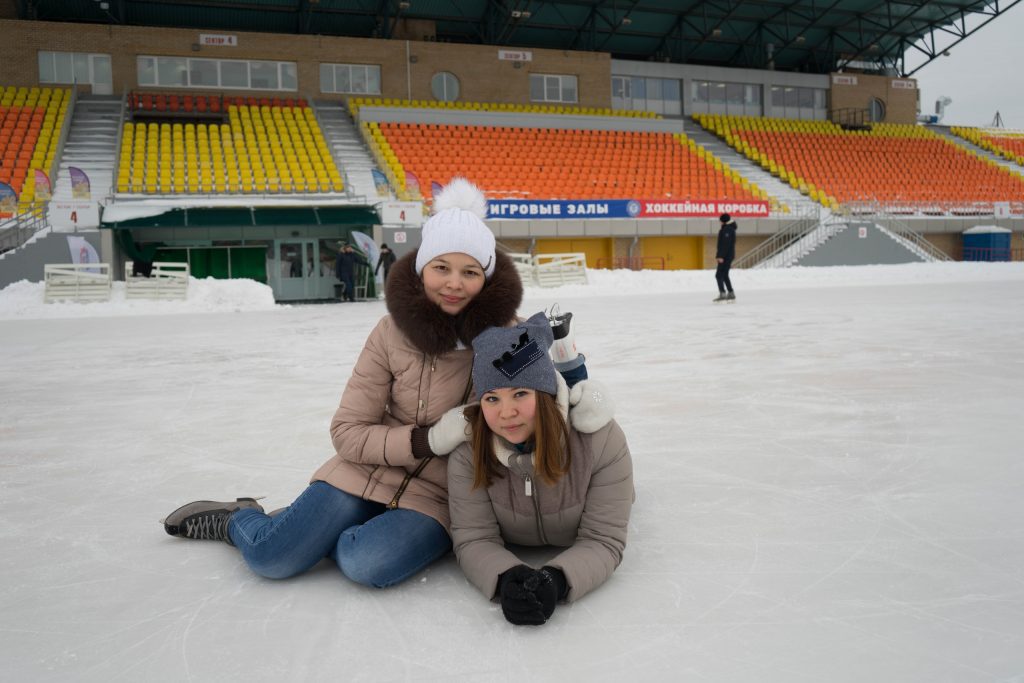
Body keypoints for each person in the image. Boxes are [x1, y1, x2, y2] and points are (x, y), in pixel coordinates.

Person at [161, 178, 603, 590]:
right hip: (362, 471)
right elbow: (347, 432)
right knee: (272, 559)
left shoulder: (508, 337)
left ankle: (303, 528)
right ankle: (242, 518)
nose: (454, 283)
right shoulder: (389, 333)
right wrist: (425, 439)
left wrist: (583, 393)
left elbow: (549, 396)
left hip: (438, 495)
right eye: (442, 267)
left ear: (486, 278)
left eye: (470, 272)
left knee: (366, 563)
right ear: (421, 270)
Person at [447, 312, 633, 626]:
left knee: (577, 382)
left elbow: (603, 538)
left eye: (520, 393)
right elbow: (474, 537)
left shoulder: (601, 440)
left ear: (543, 395)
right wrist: (505, 576)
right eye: (492, 398)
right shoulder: (468, 453)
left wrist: (558, 580)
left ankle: (566, 351)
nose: (506, 413)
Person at [714, 212, 737, 302]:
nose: (719, 222)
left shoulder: (727, 230)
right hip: (728, 255)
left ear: (723, 221)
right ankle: (731, 293)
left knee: (719, 275)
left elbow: (725, 244)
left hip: (726, 256)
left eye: (720, 220)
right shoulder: (728, 229)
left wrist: (720, 256)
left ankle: (723, 293)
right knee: (724, 274)